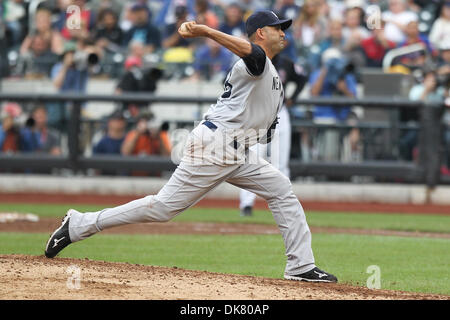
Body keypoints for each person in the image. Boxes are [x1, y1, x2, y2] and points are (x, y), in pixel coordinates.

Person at [44, 10, 338, 283]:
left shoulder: (271, 73)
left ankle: (301, 266)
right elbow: (252, 54)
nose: (284, 33)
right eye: (278, 28)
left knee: (281, 189)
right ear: (260, 33)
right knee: (162, 208)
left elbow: (262, 124)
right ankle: (80, 224)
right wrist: (207, 31)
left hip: (236, 150)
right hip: (216, 146)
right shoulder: (254, 61)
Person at [239, 53, 308, 216]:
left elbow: (302, 78)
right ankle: (246, 204)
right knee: (253, 158)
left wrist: (294, 97)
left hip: (279, 112)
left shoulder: (286, 62)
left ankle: (284, 204)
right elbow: (229, 80)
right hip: (257, 112)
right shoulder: (252, 58)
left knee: (281, 161)